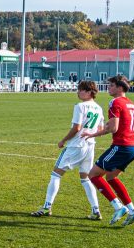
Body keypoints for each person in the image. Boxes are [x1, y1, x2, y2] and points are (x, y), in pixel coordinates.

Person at [31, 80, 105, 219]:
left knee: (56, 174)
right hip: (90, 147)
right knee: (85, 178)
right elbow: (100, 129)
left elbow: (76, 128)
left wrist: (63, 140)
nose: (78, 92)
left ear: (89, 92)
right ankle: (96, 210)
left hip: (76, 146)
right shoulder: (99, 108)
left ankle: (47, 207)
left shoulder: (80, 106)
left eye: (81, 90)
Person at [82, 75, 134, 227]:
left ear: (120, 87)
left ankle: (118, 207)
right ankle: (133, 211)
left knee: (93, 174)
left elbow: (113, 128)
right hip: (133, 147)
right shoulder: (130, 103)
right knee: (111, 177)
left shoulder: (115, 102)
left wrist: (93, 134)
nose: (109, 87)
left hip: (121, 146)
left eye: (111, 85)